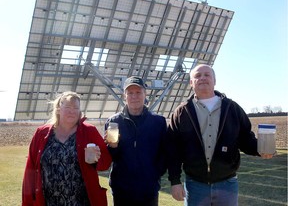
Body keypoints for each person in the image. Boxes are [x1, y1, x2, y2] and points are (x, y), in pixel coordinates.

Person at [166, 64, 274, 206]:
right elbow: (173, 149)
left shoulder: (232, 108)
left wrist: (260, 149)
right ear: (191, 83)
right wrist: (175, 181)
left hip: (227, 184)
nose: (202, 78)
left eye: (207, 75)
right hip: (195, 184)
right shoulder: (181, 112)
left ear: (215, 81)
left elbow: (245, 138)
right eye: (197, 76)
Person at [22, 91, 112, 206]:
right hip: (48, 202)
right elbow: (30, 171)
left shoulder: (90, 131)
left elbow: (105, 163)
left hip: (82, 202)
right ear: (58, 109)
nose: (72, 111)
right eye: (68, 107)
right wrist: (27, 201)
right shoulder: (41, 133)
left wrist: (97, 158)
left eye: (76, 108)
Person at [104, 76, 167, 206]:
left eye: (138, 92)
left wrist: (155, 173)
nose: (134, 96)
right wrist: (113, 147)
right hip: (121, 190)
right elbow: (110, 157)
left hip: (148, 190)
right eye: (130, 93)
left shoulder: (158, 122)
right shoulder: (113, 122)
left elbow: (165, 152)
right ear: (124, 96)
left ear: (145, 94)